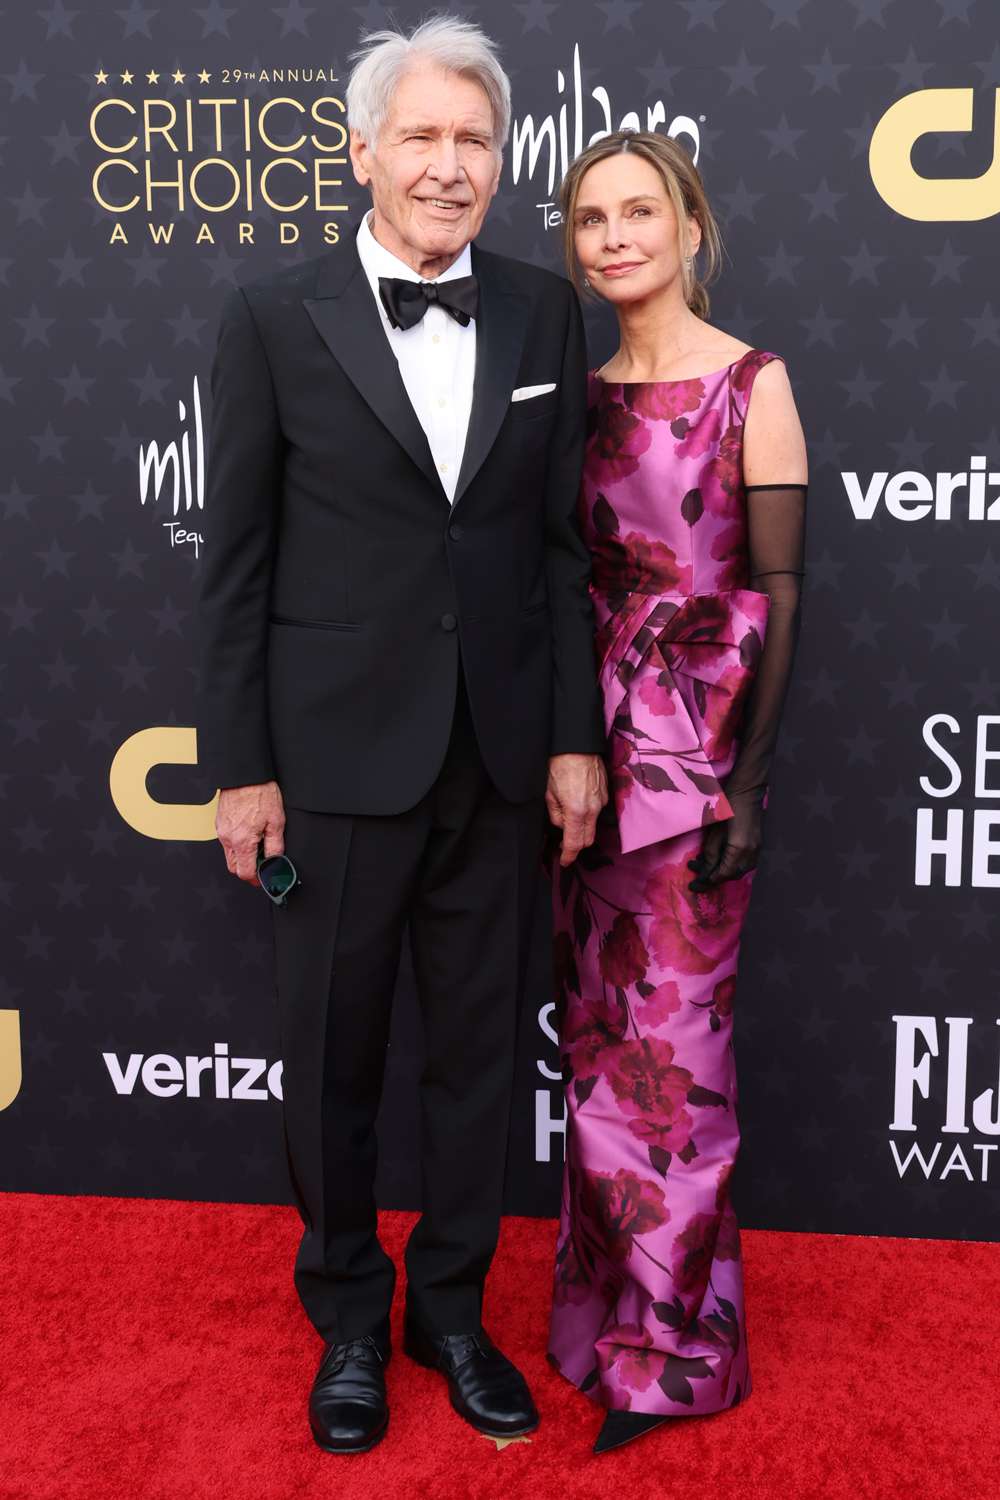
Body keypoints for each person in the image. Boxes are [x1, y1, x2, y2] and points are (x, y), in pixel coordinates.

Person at [195, 16, 608, 1457]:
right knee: (335, 1055)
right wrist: (241, 767)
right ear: (364, 149)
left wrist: (574, 738)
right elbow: (234, 562)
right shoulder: (269, 314)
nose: (449, 166)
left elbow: (559, 552)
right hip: (331, 765)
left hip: (498, 757)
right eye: (421, 138)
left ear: (504, 159)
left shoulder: (550, 314)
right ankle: (350, 1323)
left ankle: (453, 1311)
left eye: (474, 141)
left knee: (478, 1062)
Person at [546, 129, 807, 1454]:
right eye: (590, 218)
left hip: (698, 763)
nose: (614, 238)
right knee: (599, 1052)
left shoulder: (752, 383)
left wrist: (749, 783)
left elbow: (782, 590)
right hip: (582, 765)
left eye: (639, 211)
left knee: (679, 1064)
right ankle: (604, 1322)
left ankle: (678, 1355)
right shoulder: (573, 391)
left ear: (688, 224)